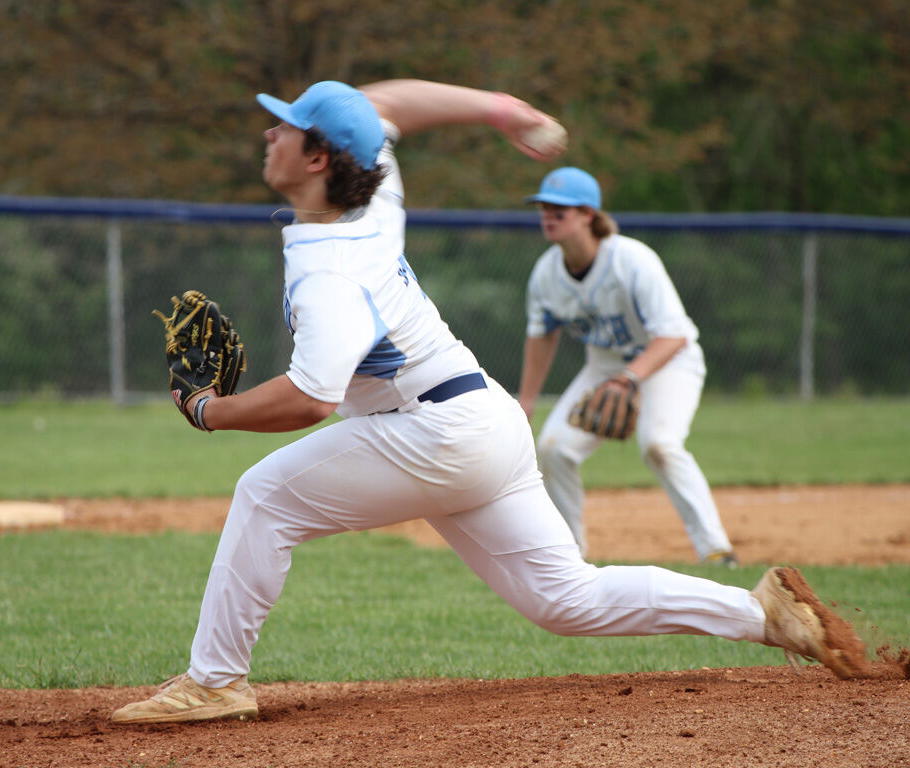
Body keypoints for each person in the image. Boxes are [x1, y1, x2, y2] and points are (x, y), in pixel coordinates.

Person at [110, 79, 865, 724]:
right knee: (566, 600)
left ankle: (213, 682)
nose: (268, 130)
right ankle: (759, 614)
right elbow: (383, 104)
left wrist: (210, 411)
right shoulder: (370, 184)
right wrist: (502, 108)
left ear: (316, 159)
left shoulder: (331, 273)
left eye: (287, 125)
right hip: (479, 421)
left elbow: (310, 398)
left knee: (265, 496)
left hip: (430, 431)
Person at [517, 166, 737, 566]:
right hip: (605, 367)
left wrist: (630, 377)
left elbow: (674, 336)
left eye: (559, 211)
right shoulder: (546, 273)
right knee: (553, 448)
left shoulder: (632, 260)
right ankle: (571, 555)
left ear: (588, 215)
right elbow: (541, 334)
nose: (548, 217)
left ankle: (716, 549)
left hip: (669, 361)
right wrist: (527, 400)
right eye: (544, 209)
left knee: (659, 445)